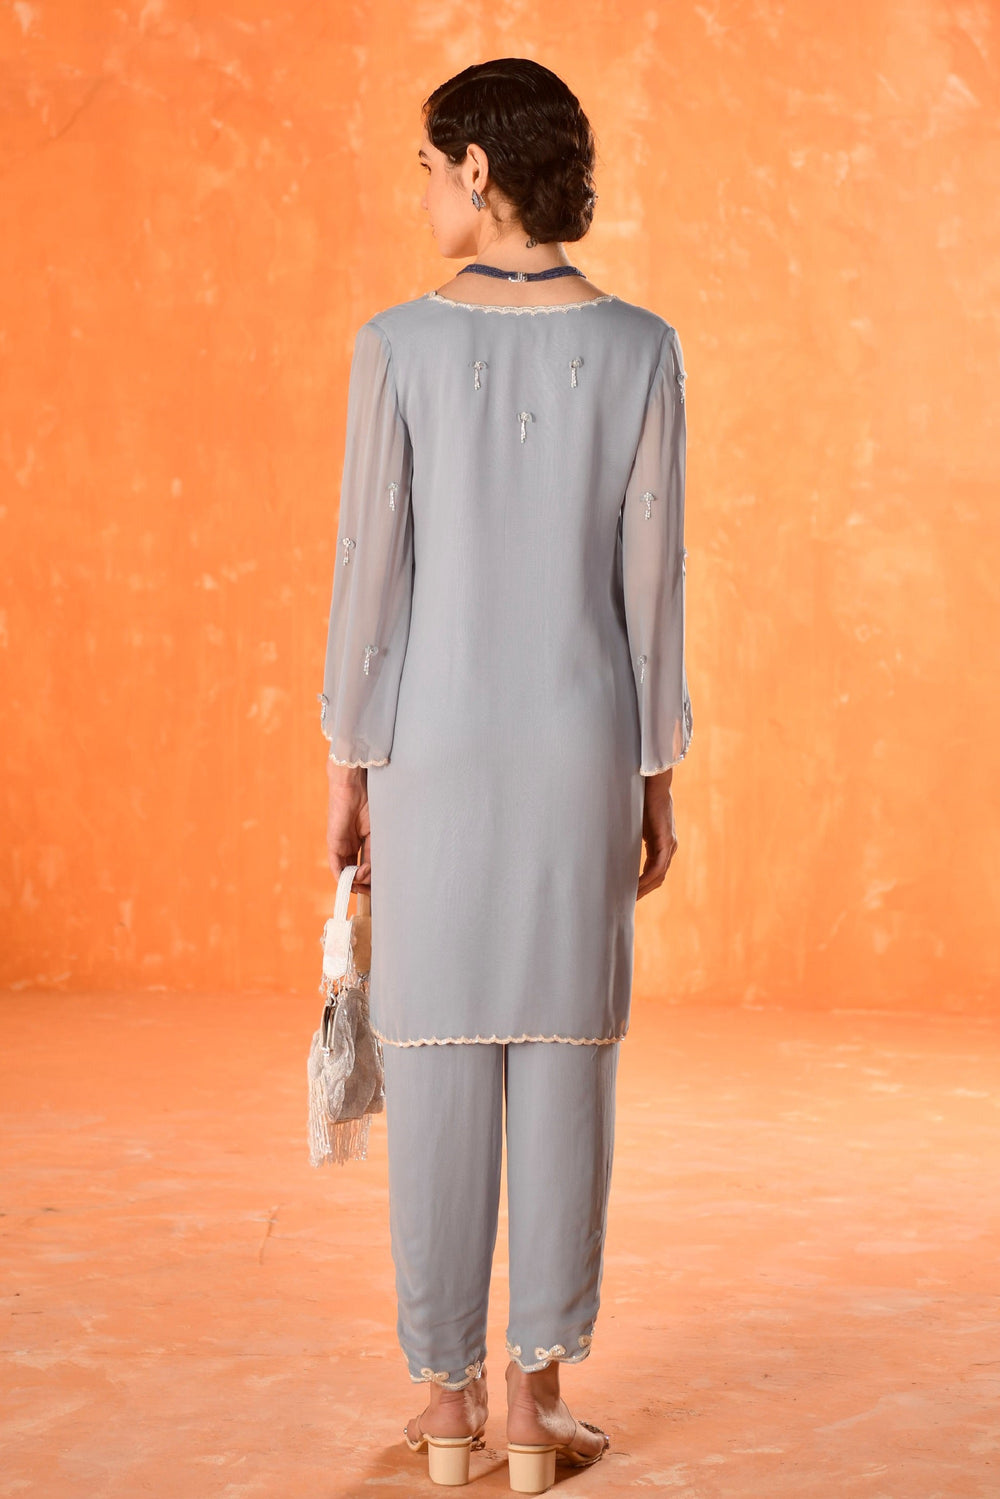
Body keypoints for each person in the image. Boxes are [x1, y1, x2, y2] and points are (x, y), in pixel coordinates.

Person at [319, 57, 692, 1493]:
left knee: (432, 1049)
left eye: (430, 166)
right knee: (565, 1056)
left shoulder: (396, 346)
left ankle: (445, 1405)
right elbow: (651, 587)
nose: (423, 191)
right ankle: (537, 1408)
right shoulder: (644, 347)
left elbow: (371, 579)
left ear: (478, 170)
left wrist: (350, 763)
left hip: (433, 741)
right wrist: (656, 773)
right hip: (581, 741)